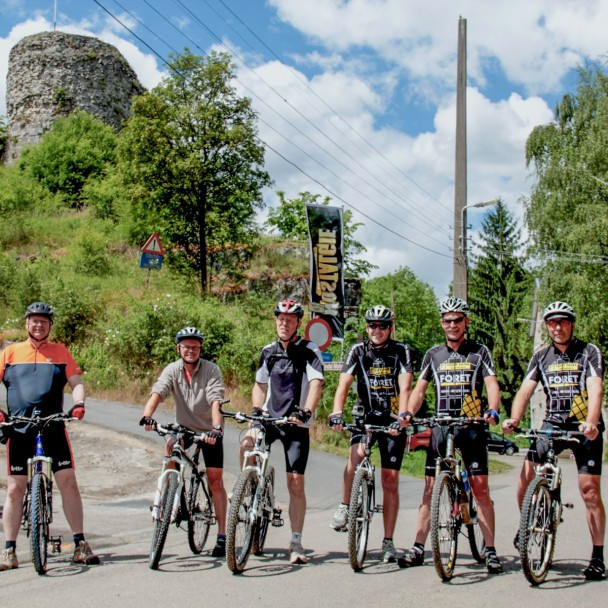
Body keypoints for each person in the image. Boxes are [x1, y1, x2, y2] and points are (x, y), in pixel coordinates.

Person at [398, 296, 503, 574]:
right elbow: (419, 391)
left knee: (481, 491)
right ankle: (419, 547)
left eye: (458, 319)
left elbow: (492, 384)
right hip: (442, 427)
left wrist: (492, 410)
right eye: (447, 320)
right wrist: (407, 412)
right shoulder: (433, 354)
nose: (453, 325)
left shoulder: (479, 351)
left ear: (465, 321)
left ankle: (490, 551)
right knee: (430, 490)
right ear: (442, 324)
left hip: (471, 427)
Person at [503, 301, 606, 580]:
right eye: (551, 322)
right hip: (552, 425)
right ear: (547, 326)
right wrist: (514, 418)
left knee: (590, 491)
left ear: (571, 324)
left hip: (583, 428)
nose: (557, 327)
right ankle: (529, 521)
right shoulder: (541, 356)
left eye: (562, 321)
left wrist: (593, 422)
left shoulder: (588, 352)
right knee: (525, 476)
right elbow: (525, 391)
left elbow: (595, 389)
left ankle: (597, 556)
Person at [0, 302, 99, 571]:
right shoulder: (9, 353)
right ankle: (9, 550)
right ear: (26, 324)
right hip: (19, 429)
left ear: (50, 325)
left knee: (68, 483)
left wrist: (78, 404)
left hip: (53, 426)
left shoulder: (61, 352)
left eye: (44, 321)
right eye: (34, 321)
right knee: (14, 490)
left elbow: (76, 383)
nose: (39, 325)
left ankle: (79, 544)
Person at [328, 305, 413, 563]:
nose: (377, 330)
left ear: (390, 327)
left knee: (390, 481)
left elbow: (406, 385)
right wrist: (336, 412)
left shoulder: (401, 351)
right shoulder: (358, 350)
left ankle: (388, 541)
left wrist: (404, 416)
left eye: (383, 325)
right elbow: (343, 384)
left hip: (391, 419)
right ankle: (345, 506)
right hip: (365, 415)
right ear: (367, 327)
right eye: (373, 325)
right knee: (354, 459)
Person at [242, 299, 323, 565]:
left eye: (289, 320)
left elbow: (315, 384)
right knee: (246, 442)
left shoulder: (309, 350)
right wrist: (256, 408)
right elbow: (259, 384)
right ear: (275, 320)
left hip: (294, 424)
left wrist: (306, 412)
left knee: (295, 484)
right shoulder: (268, 350)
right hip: (269, 419)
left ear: (298, 323)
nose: (284, 323)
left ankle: (296, 542)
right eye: (280, 319)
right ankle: (251, 484)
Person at [140, 326, 228, 558]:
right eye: (186, 346)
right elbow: (158, 392)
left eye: (195, 347)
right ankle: (172, 494)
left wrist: (216, 428)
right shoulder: (173, 369)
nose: (191, 350)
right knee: (170, 446)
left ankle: (221, 535)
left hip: (209, 430)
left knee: (215, 481)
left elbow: (215, 401)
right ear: (178, 348)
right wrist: (147, 416)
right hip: (185, 428)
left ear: (200, 349)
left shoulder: (211, 369)